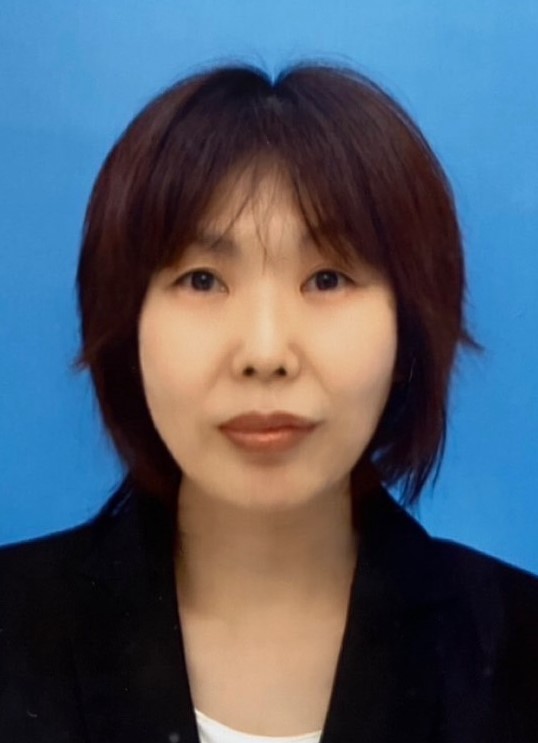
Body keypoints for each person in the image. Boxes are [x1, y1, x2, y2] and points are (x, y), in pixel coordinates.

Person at [0, 61, 536, 743]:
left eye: (327, 278)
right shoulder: (16, 628)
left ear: (408, 327)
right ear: (125, 322)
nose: (264, 351)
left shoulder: (518, 652)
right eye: (202, 280)